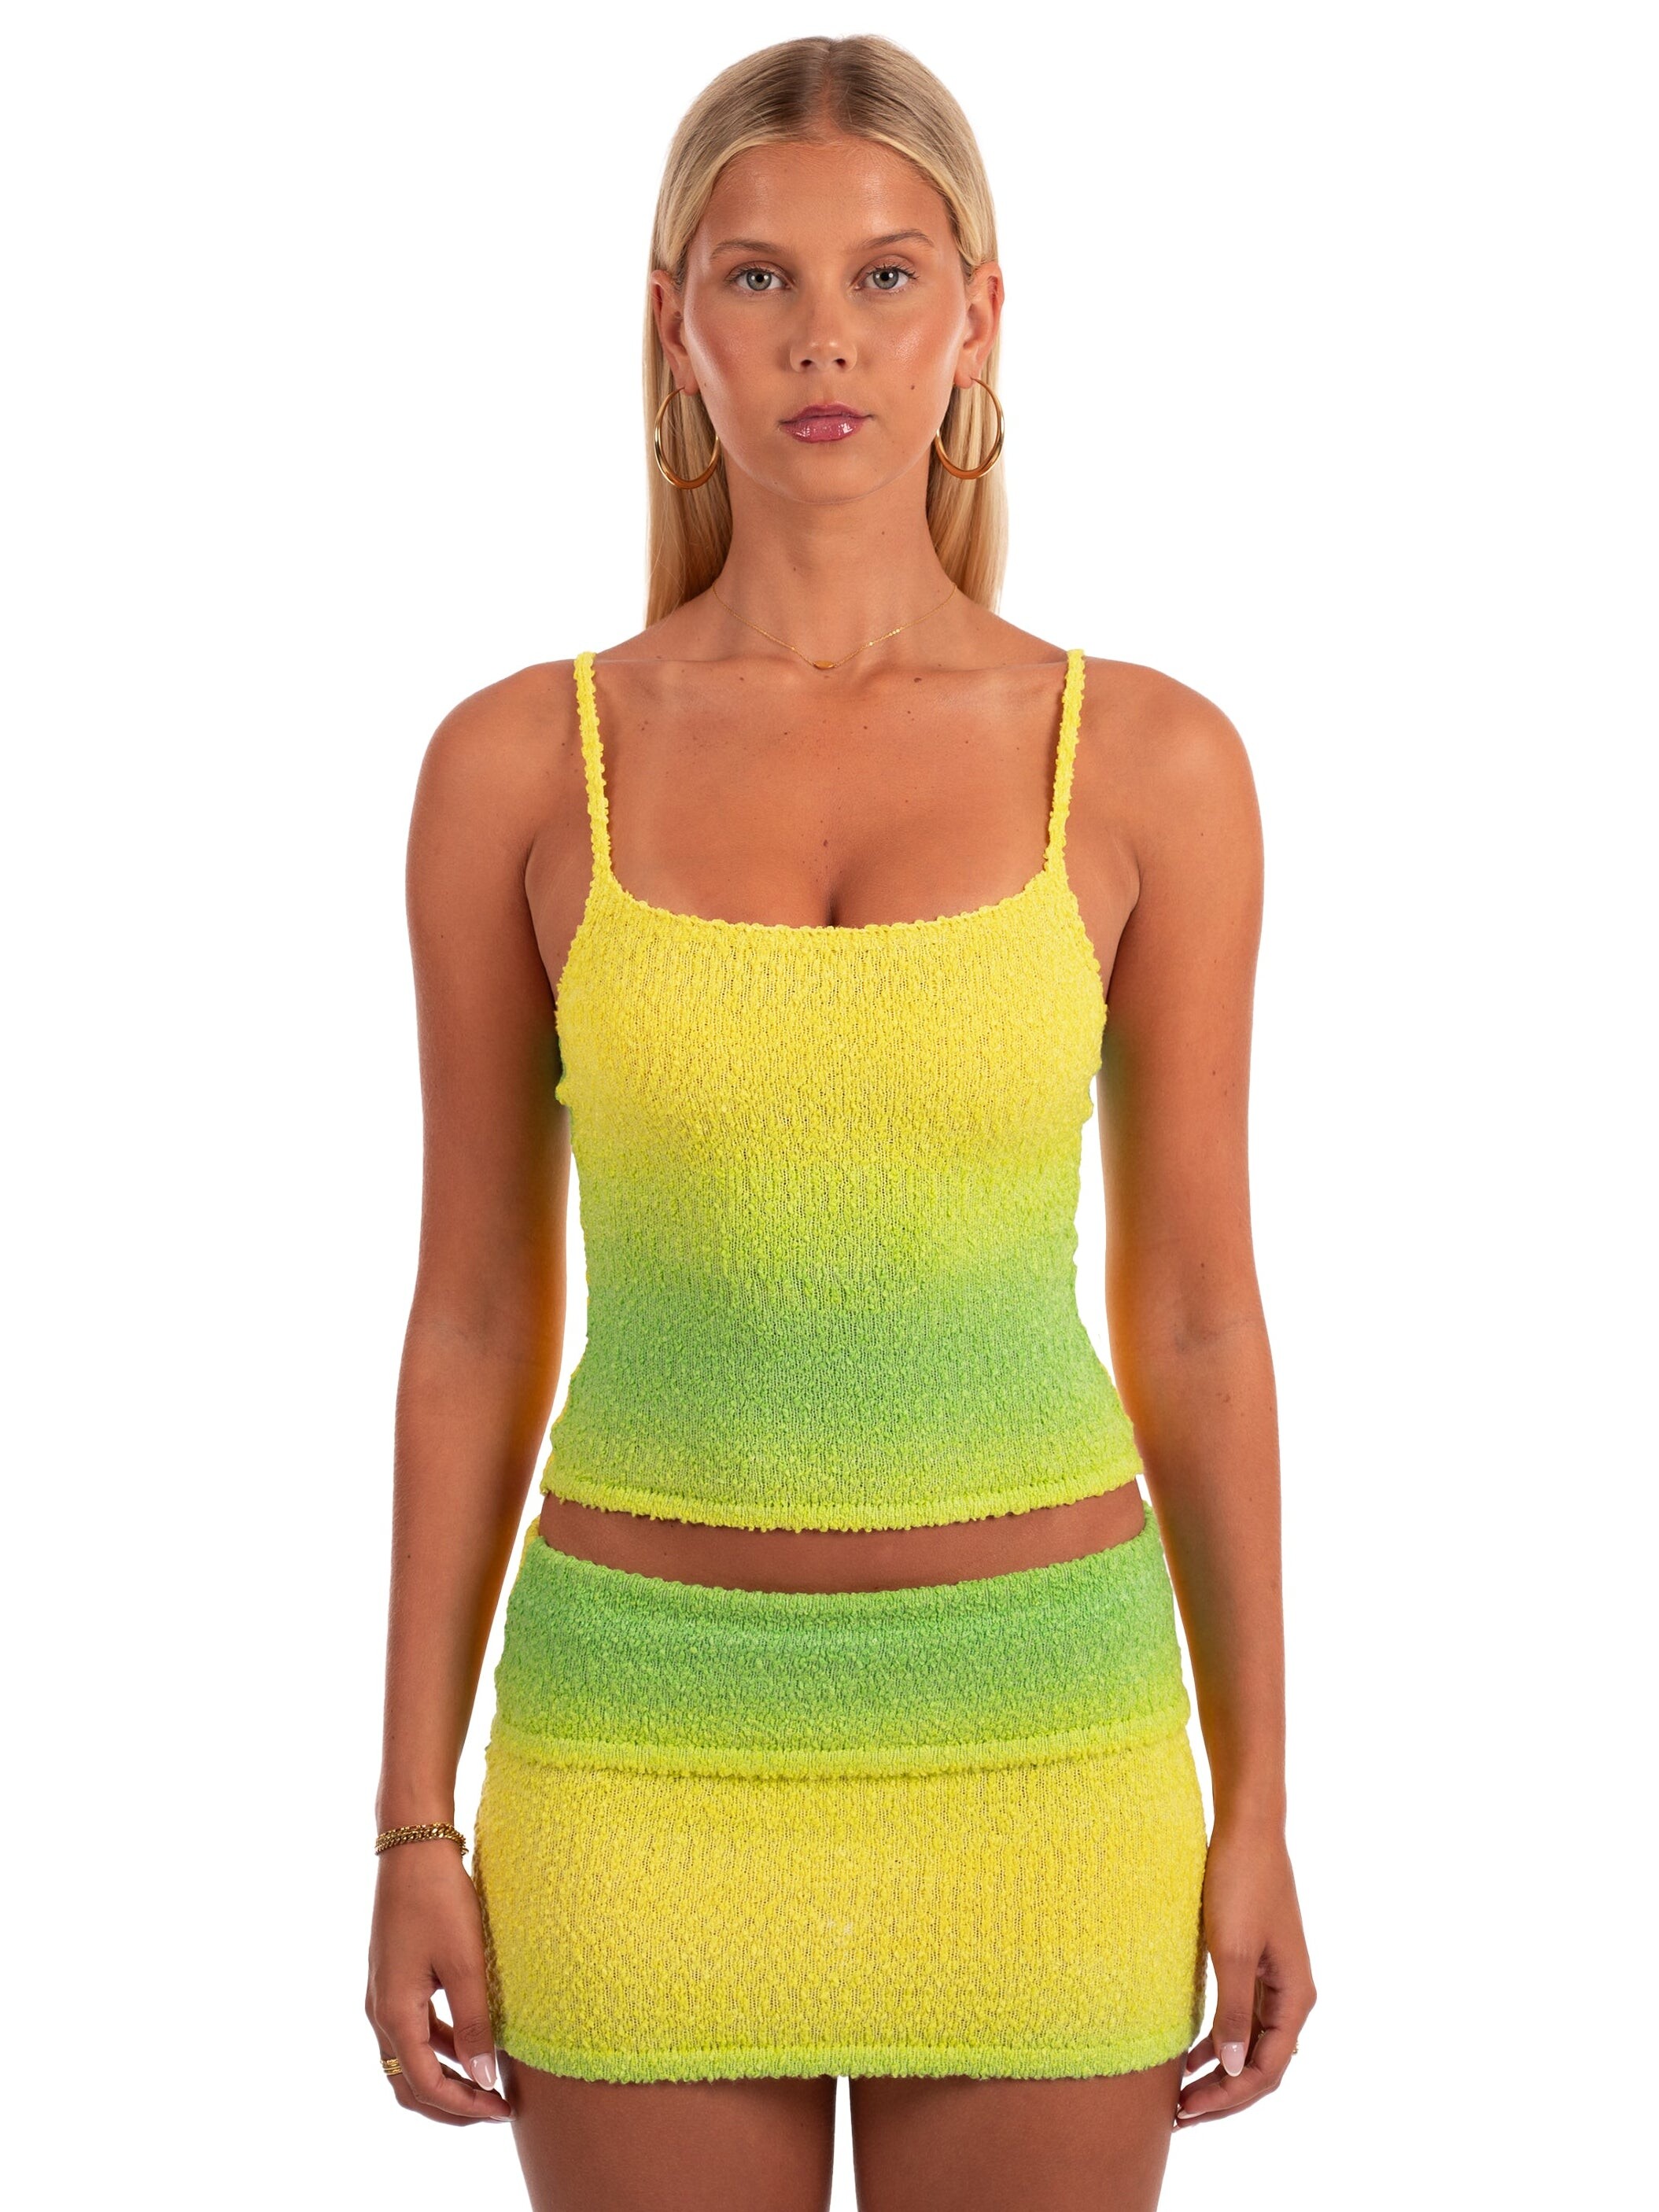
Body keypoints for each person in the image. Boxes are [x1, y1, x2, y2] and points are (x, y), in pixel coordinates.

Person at [365, 33, 1315, 2211]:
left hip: (1048, 1748)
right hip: (638, 1746)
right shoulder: (518, 767)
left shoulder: (1149, 762)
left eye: (887, 277)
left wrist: (1258, 1796)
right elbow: (473, 1320)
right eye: (759, 277)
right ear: (671, 322)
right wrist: (413, 1815)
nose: (824, 339)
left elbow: (1197, 1316)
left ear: (980, 318)